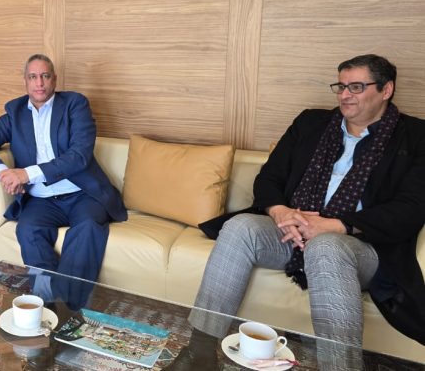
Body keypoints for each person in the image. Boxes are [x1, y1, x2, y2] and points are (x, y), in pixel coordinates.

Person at [172, 54, 425, 370]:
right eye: (341, 86)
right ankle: (199, 353)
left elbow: (411, 209)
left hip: (362, 245)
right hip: (292, 230)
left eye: (357, 87)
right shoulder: (311, 123)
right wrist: (280, 212)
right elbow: (269, 177)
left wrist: (336, 225)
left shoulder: (416, 136)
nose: (345, 95)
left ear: (386, 90)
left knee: (326, 246)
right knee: (240, 226)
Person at [0, 54, 126, 308]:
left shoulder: (75, 105)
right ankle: (48, 303)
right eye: (33, 77)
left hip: (82, 194)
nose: (39, 83)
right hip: (41, 200)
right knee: (28, 230)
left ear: (54, 79)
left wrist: (26, 174)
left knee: (87, 228)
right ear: (25, 81)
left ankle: (69, 308)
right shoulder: (16, 112)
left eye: (45, 76)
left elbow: (79, 156)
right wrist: (3, 172)